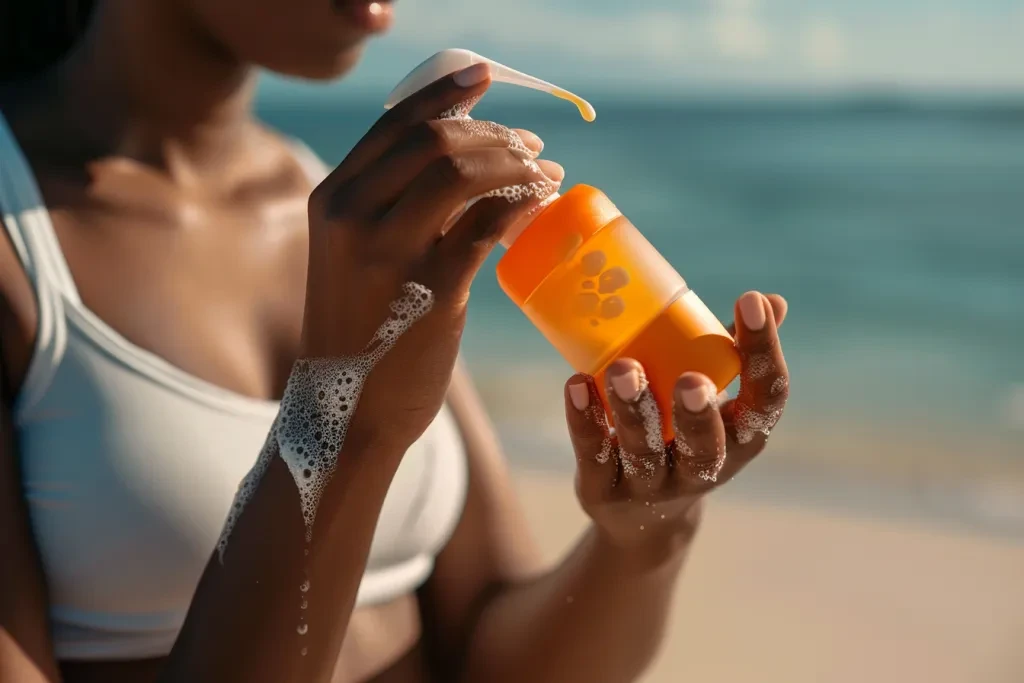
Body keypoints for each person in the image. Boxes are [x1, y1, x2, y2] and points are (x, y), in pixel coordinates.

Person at [0, 1, 791, 682]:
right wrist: (344, 413)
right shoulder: (17, 244)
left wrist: (645, 535)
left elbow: (493, 654)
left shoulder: (358, 221)